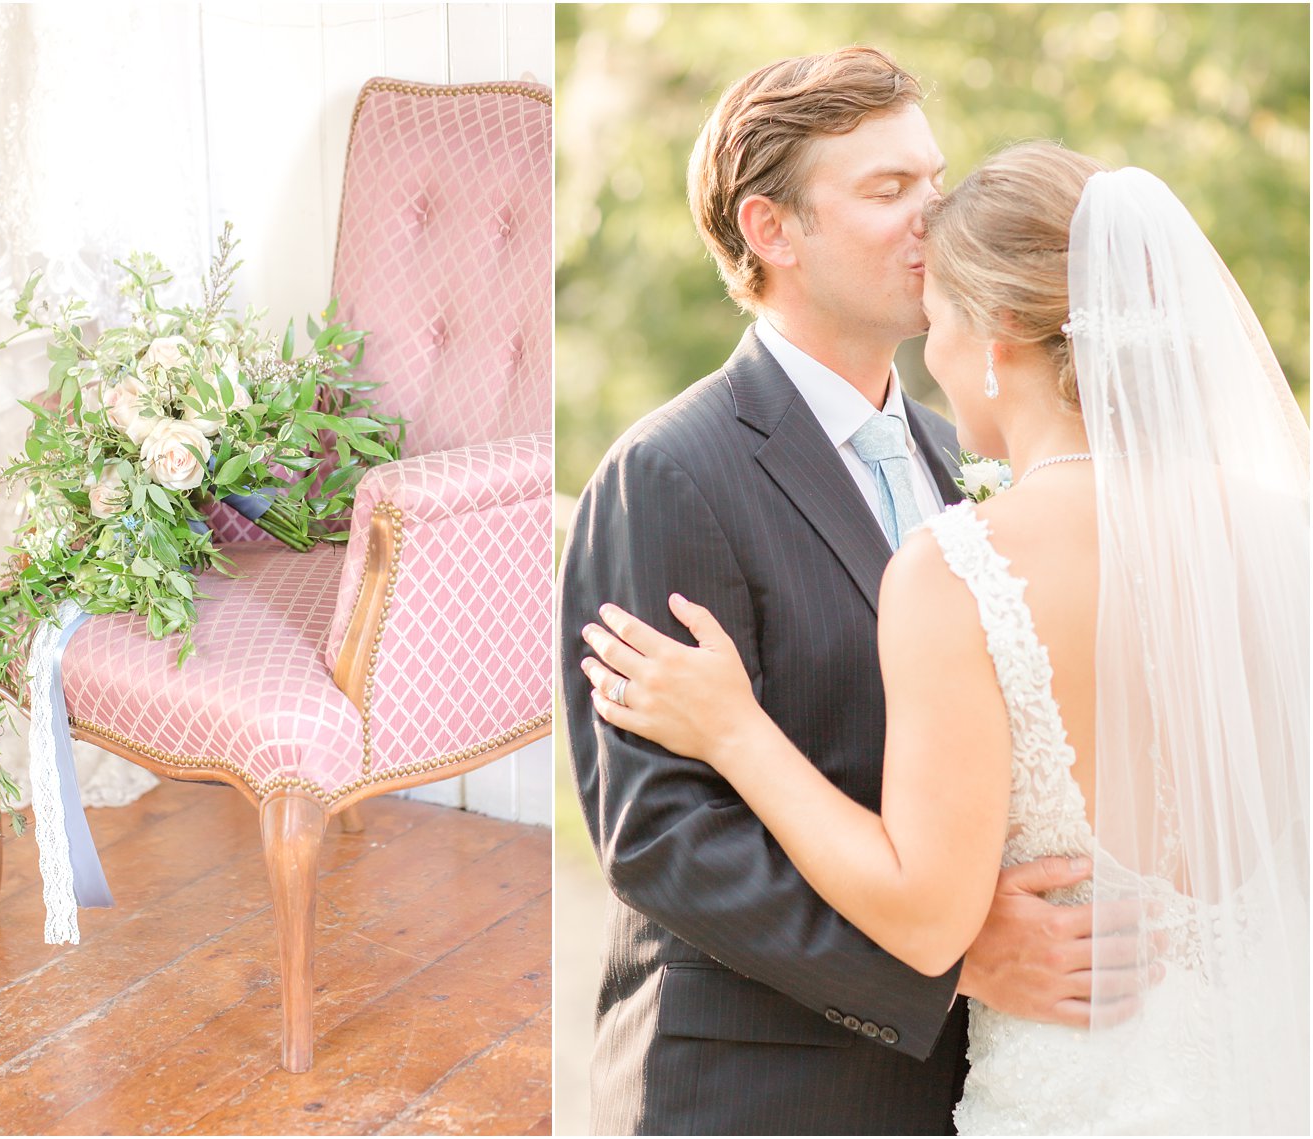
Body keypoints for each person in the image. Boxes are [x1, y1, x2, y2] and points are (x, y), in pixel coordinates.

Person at [580, 140, 1310, 1133]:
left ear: (999, 330)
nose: (932, 354)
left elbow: (924, 916)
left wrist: (734, 732)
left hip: (1073, 1093)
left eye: (939, 320)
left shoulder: (963, 562)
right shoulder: (1280, 532)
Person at [557, 50, 1131, 1135]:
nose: (936, 214)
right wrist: (949, 963)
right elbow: (657, 836)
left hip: (969, 1086)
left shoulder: (965, 458)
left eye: (934, 177)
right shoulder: (666, 473)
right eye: (887, 190)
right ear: (770, 229)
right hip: (759, 1088)